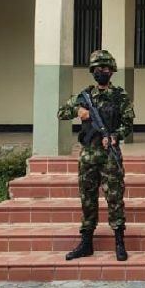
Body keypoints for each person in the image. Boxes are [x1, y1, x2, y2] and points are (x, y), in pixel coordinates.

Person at [56, 49, 134, 262]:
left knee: (115, 199)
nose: (103, 71)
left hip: (110, 155)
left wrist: (116, 136)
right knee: (88, 199)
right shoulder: (84, 96)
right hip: (89, 155)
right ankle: (86, 242)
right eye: (99, 68)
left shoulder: (120, 96)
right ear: (92, 71)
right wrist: (78, 112)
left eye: (106, 68)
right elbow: (61, 112)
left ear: (112, 71)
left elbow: (128, 124)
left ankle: (119, 242)